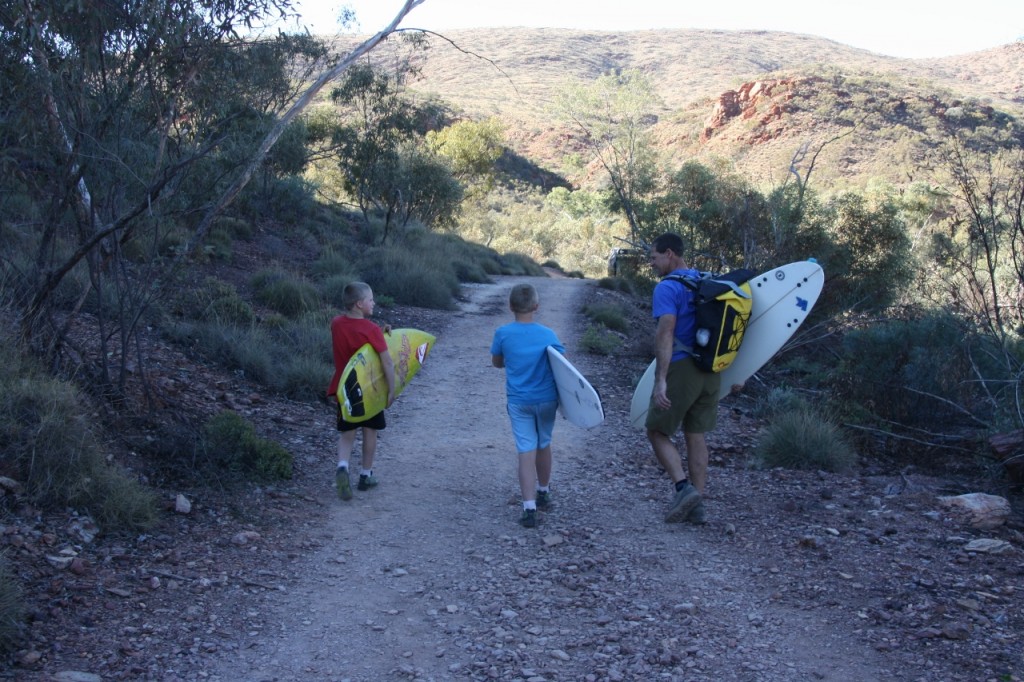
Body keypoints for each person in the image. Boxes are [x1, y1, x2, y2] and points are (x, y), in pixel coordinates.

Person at [645, 232, 724, 525]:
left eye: (654, 257)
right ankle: (697, 506)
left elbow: (666, 332)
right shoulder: (705, 281)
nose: (652, 263)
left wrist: (661, 379)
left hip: (683, 368)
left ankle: (683, 487)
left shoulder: (667, 288)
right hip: (712, 369)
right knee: (695, 434)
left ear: (669, 253)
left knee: (656, 430)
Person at [490, 283, 565, 529]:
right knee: (544, 443)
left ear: (510, 306)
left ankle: (529, 507)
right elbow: (563, 368)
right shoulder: (548, 335)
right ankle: (543, 491)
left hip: (519, 401)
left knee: (526, 449)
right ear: (536, 306)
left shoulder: (503, 333)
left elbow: (497, 363)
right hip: (546, 400)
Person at [326, 282, 396, 502]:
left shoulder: (336, 323)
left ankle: (342, 467)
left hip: (344, 389)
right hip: (369, 392)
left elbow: (355, 336)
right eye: (370, 299)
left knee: (347, 434)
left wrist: (378, 332)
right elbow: (386, 362)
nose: (373, 302)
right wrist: (392, 389)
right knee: (370, 431)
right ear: (359, 304)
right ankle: (366, 476)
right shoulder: (371, 330)